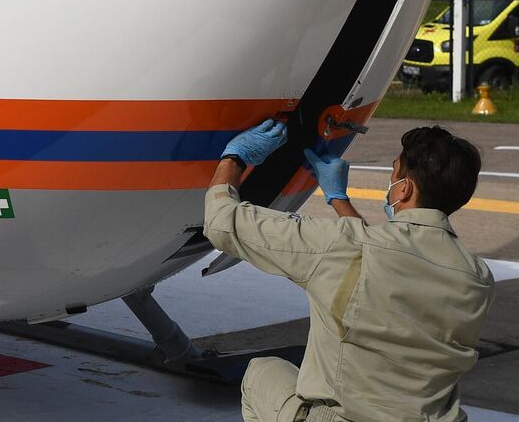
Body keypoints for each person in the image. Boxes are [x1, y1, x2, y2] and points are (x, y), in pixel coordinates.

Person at [205, 121, 493, 422]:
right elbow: (379, 261)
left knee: (260, 374)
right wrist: (339, 200)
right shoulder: (478, 277)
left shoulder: (343, 247)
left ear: (405, 188)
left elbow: (222, 221)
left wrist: (236, 157)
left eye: (394, 173)